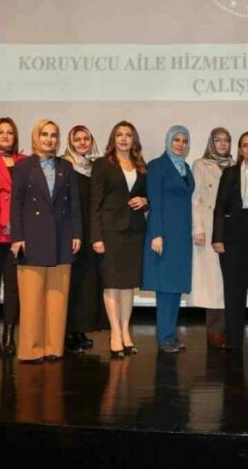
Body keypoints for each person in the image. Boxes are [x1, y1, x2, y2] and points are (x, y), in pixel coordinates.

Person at [9, 119, 82, 363]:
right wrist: (17, 237)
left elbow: (74, 204)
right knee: (31, 298)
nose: (49, 139)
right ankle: (31, 350)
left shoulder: (66, 167)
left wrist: (77, 234)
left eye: (53, 135)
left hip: (62, 238)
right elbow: (16, 204)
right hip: (32, 237)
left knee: (58, 298)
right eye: (44, 135)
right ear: (36, 138)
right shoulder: (23, 167)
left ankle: (53, 348)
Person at [90, 121, 148, 358]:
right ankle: (114, 333)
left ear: (134, 139)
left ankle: (126, 332)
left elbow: (149, 195)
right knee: (112, 283)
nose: (124, 139)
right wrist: (96, 236)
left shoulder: (141, 165)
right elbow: (95, 203)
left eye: (128, 135)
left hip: (134, 231)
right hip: (110, 232)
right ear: (113, 139)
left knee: (128, 285)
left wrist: (146, 201)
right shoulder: (102, 164)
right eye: (119, 135)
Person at [212, 131, 248, 351]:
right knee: (233, 290)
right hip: (233, 235)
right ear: (239, 150)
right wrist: (218, 237)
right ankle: (234, 341)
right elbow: (220, 206)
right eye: (244, 145)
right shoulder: (230, 173)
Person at [144, 125, 195, 354]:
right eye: (176, 140)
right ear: (168, 141)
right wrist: (157, 234)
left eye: (184, 141)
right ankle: (164, 338)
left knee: (175, 288)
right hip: (163, 236)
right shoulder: (157, 166)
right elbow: (154, 201)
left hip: (181, 237)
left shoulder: (185, 167)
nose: (180, 144)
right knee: (164, 289)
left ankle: (172, 336)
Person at [0, 118, 25, 356]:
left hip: (18, 235)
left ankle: (10, 335)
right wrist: (3, 221)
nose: (6, 136)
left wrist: (17, 225)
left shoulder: (24, 161)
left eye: (10, 132)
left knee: (13, 287)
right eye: (1, 132)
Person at [60, 125, 103, 353]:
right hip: (71, 232)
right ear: (70, 142)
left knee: (87, 282)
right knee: (72, 282)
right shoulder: (64, 165)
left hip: (91, 231)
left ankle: (80, 330)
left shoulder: (96, 167)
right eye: (77, 139)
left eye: (86, 138)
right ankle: (66, 331)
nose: (82, 142)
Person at [191, 127, 232, 348]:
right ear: (211, 143)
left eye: (226, 140)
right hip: (208, 228)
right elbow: (195, 198)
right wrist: (197, 228)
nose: (223, 144)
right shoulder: (201, 164)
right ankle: (215, 331)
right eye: (218, 140)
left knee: (229, 282)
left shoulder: (236, 166)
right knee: (213, 283)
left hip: (231, 230)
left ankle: (229, 328)